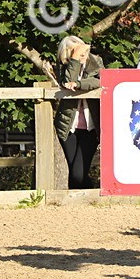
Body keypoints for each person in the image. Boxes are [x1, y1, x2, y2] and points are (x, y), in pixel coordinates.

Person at [55, 35, 103, 189]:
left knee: (78, 173)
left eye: (81, 51)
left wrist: (79, 84)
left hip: (91, 127)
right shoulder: (64, 65)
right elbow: (66, 81)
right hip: (68, 126)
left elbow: (100, 80)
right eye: (73, 51)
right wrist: (74, 61)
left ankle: (87, 198)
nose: (79, 55)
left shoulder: (96, 62)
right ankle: (78, 206)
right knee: (74, 173)